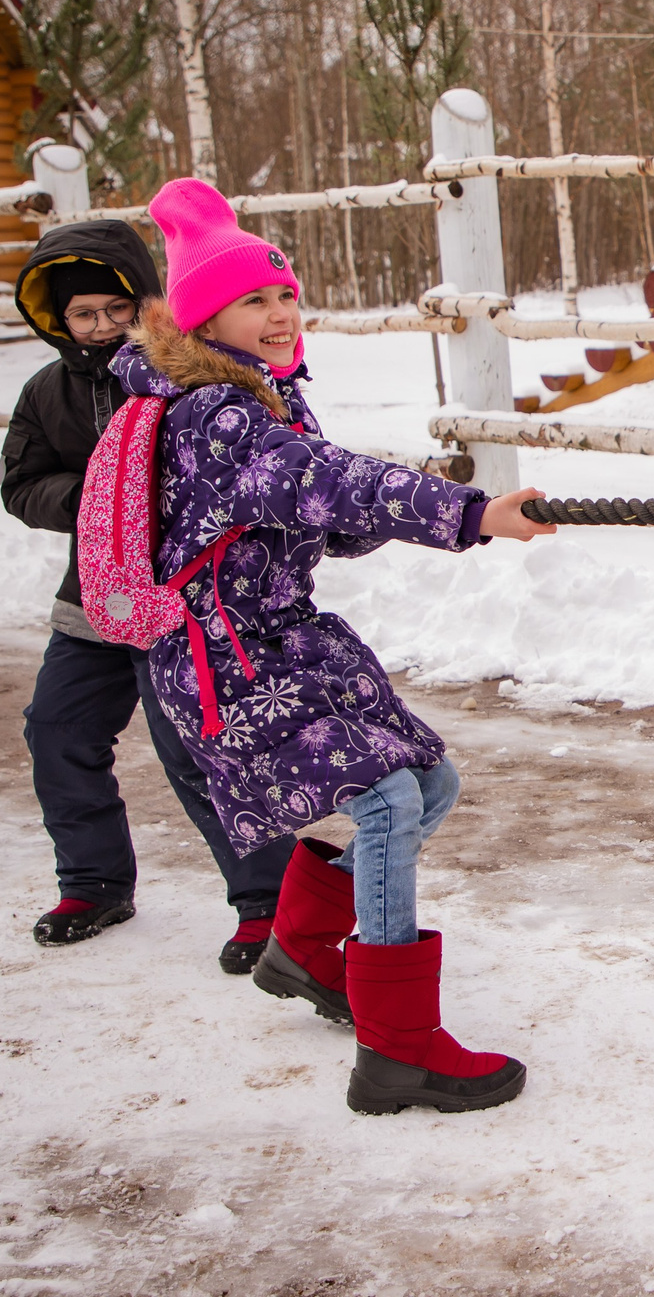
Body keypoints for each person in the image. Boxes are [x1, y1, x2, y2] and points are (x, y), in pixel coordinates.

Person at [110, 177, 553, 1114]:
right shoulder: (214, 416)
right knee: (390, 799)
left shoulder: (265, 398)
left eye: (284, 296)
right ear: (202, 319)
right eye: (252, 301)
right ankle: (399, 1048)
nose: (277, 316)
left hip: (281, 642)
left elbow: (328, 514)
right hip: (224, 662)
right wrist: (467, 512)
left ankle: (308, 949)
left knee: (429, 784)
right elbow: (322, 480)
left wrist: (391, 501)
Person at [0, 220, 293, 968]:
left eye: (114, 309)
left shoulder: (188, 376)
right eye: (81, 314)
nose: (100, 327)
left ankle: (270, 901)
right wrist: (98, 496)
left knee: (197, 750)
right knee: (56, 730)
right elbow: (22, 483)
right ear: (56, 320)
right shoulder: (46, 392)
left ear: (147, 302)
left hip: (184, 603)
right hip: (95, 599)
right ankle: (94, 879)